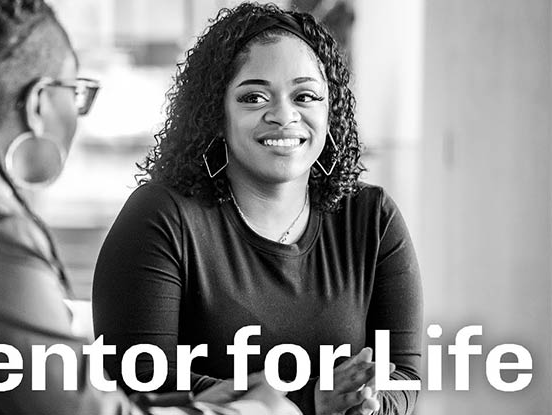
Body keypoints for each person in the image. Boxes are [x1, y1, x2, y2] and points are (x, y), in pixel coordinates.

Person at [0, 1, 301, 414]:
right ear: (39, 104)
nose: (78, 113)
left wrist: (189, 399)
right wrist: (250, 411)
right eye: (77, 93)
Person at [92, 3, 423, 415]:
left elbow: (405, 375)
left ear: (330, 111)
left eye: (305, 96)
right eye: (253, 97)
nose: (284, 115)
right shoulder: (162, 216)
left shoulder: (372, 218)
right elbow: (141, 375)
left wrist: (368, 403)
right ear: (217, 114)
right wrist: (309, 401)